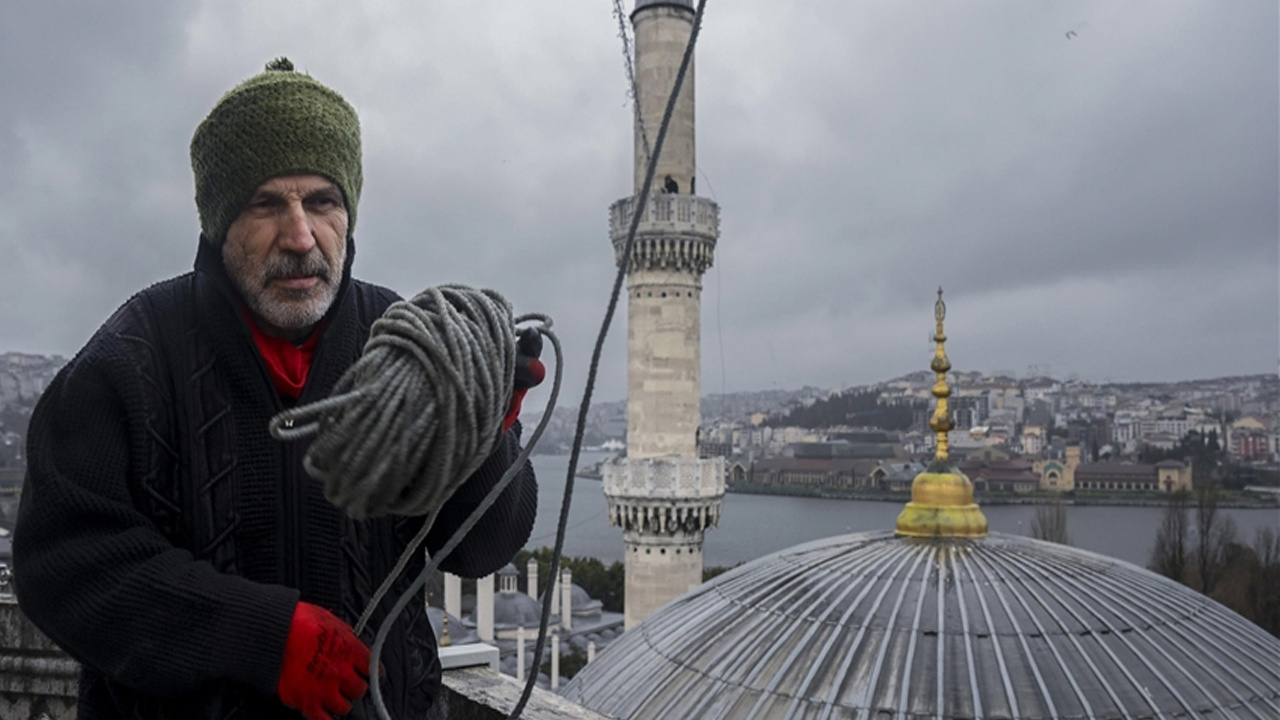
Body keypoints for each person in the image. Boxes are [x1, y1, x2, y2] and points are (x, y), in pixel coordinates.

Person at [13, 58, 541, 720]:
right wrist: (259, 637)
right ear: (218, 222)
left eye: (322, 201)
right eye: (267, 204)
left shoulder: (406, 345)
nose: (300, 236)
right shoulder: (128, 359)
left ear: (348, 212)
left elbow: (481, 548)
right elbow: (61, 568)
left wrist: (486, 431)